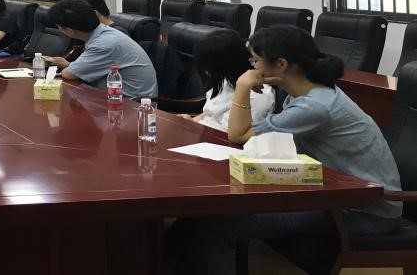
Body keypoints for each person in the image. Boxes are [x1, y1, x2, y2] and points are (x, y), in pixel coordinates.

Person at [168, 25, 401, 274]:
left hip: (364, 209)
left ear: (280, 64)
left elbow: (238, 134)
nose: (251, 67)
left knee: (222, 223)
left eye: (255, 61)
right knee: (210, 213)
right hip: (337, 194)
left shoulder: (313, 106)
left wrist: (243, 86)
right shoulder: (305, 94)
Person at [43, 0, 157, 98]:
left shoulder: (103, 44)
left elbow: (69, 74)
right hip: (112, 96)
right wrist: (70, 66)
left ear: (69, 31)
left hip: (131, 105)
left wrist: (69, 68)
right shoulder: (103, 33)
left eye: (58, 27)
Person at [183, 28, 273, 132]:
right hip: (202, 132)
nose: (206, 71)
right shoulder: (226, 80)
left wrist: (193, 126)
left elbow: (231, 135)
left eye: (207, 66)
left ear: (222, 65)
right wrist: (191, 121)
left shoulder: (259, 95)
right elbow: (209, 113)